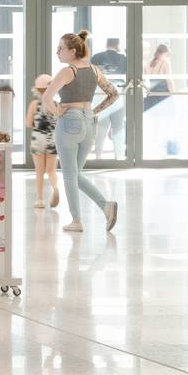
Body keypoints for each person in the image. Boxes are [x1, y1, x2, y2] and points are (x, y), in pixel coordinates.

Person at [44, 29, 121, 233]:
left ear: (72, 51)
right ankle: (105, 206)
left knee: (69, 175)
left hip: (70, 121)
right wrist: (94, 111)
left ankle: (77, 220)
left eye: (60, 48)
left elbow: (46, 98)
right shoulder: (95, 69)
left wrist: (57, 111)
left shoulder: (68, 71)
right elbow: (114, 94)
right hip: (89, 122)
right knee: (76, 173)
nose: (57, 52)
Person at [90, 36, 130, 159]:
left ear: (107, 44)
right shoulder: (123, 58)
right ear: (117, 45)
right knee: (118, 126)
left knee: (101, 127)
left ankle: (98, 157)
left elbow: (91, 76)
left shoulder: (96, 57)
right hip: (118, 94)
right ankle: (118, 156)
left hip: (100, 94)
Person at [26, 74, 60, 211]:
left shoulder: (34, 104)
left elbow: (29, 124)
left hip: (38, 140)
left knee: (39, 171)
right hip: (53, 139)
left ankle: (39, 200)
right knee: (51, 170)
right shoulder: (57, 104)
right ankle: (55, 188)